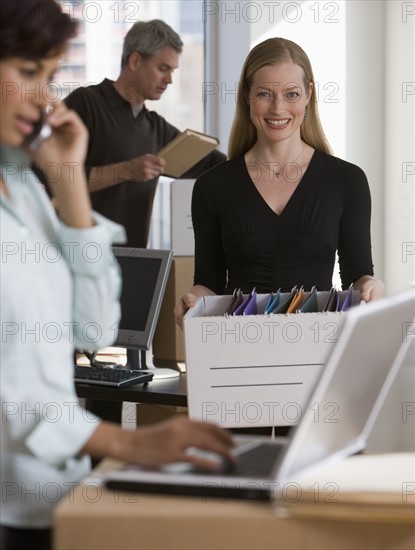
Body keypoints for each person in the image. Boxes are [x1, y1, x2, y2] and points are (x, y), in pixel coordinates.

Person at [0, 2, 233, 549]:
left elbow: (92, 330)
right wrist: (129, 445)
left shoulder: (29, 189)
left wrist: (71, 185)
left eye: (51, 77)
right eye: (30, 74)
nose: (45, 100)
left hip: (49, 496)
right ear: (134, 60)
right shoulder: (88, 108)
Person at [175, 37, 384, 326]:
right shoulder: (213, 186)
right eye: (264, 94)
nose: (277, 109)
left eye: (292, 94)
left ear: (309, 94)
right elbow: (207, 283)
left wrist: (372, 286)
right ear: (247, 94)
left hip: (317, 349)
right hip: (237, 350)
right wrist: (193, 302)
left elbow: (357, 276)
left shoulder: (347, 181)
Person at [64, 19, 226, 247]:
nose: (169, 79)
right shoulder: (85, 103)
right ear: (135, 60)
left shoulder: (155, 127)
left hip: (135, 265)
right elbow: (55, 176)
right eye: (163, 68)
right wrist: (128, 170)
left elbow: (215, 164)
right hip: (79, 258)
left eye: (172, 71)